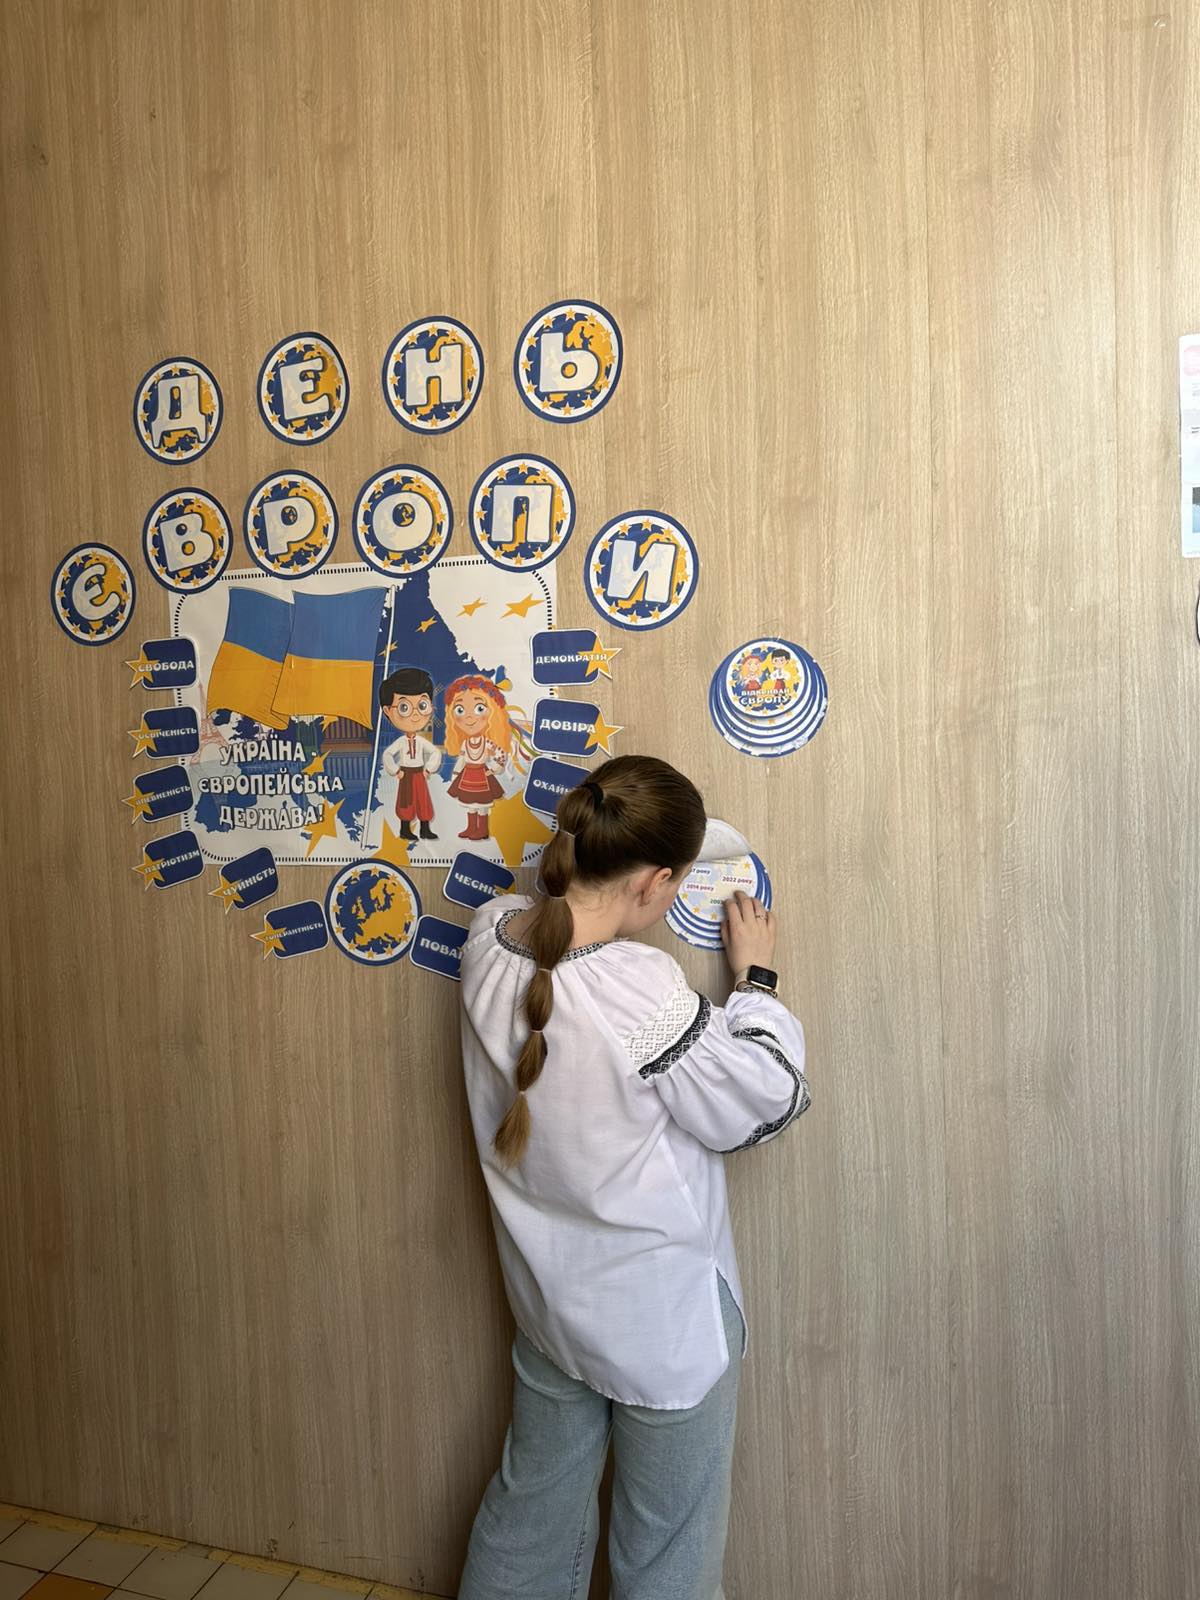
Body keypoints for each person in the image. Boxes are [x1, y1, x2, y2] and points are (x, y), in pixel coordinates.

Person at [456, 755, 810, 1600]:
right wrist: (755, 980)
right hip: (662, 1326)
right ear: (655, 884)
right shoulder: (638, 989)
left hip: (551, 1309)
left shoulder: (489, 938)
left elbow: (555, 927)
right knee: (665, 1557)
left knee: (528, 1519)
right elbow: (763, 1100)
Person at [379, 667, 441, 841]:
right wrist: (395, 771)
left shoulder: (421, 741)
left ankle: (425, 829)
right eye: (404, 707)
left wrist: (429, 769)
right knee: (405, 802)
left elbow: (435, 752)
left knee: (423, 801)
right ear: (387, 711)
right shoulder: (400, 742)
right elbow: (387, 755)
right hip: (405, 774)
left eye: (422, 705)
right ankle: (405, 829)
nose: (415, 714)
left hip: (419, 773)